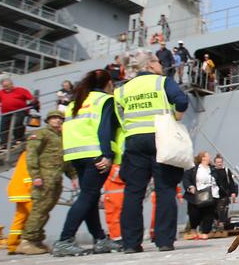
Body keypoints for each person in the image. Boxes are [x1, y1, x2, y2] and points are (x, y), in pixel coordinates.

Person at [115, 49, 188, 254]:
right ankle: (164, 240)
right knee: (165, 189)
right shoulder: (162, 82)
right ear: (149, 65)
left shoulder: (121, 90)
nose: (161, 65)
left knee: (133, 192)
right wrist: (176, 116)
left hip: (134, 141)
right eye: (157, 62)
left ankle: (130, 243)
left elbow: (120, 117)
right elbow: (181, 100)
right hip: (161, 138)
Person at [52, 69, 122, 256]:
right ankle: (65, 239)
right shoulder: (104, 100)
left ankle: (99, 239)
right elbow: (104, 129)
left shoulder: (75, 102)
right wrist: (106, 155)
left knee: (89, 196)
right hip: (95, 154)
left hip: (75, 154)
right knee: (88, 196)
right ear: (108, 84)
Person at [15, 111, 78, 255]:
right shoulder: (41, 134)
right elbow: (31, 155)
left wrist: (73, 177)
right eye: (54, 118)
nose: (57, 121)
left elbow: (66, 160)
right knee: (39, 210)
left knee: (46, 210)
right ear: (48, 120)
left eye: (60, 119)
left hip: (56, 179)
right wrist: (35, 175)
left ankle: (36, 240)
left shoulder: (62, 136)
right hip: (44, 178)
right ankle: (26, 241)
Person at [182, 152, 218, 240]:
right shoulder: (194, 169)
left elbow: (219, 180)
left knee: (209, 214)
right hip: (197, 195)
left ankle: (205, 232)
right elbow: (186, 178)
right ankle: (193, 229)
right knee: (194, 214)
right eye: (208, 156)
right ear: (203, 158)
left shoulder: (213, 169)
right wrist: (190, 187)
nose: (210, 158)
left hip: (211, 194)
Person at [0, 78, 34, 151]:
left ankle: (19, 138)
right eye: (4, 86)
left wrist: (33, 103)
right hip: (6, 113)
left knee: (17, 124)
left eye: (7, 86)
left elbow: (31, 98)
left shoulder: (21, 90)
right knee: (3, 128)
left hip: (19, 111)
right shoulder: (0, 92)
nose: (6, 88)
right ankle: (4, 144)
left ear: (11, 84)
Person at [6, 151, 32, 255]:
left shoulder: (25, 154)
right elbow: (28, 175)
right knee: (36, 216)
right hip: (25, 190)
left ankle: (12, 245)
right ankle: (31, 242)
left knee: (20, 218)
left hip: (17, 190)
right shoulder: (30, 154)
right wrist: (33, 189)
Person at [213, 154, 238, 231]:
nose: (219, 163)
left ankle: (221, 224)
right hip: (215, 194)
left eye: (220, 162)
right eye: (218, 162)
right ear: (215, 163)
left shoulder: (226, 171)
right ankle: (218, 222)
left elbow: (231, 182)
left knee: (221, 207)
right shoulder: (212, 171)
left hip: (225, 193)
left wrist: (233, 193)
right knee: (215, 209)